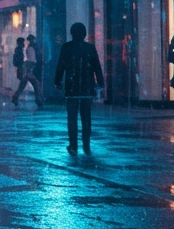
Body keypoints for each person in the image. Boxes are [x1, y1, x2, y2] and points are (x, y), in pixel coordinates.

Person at [53, 22, 105, 155]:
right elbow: (96, 66)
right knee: (86, 118)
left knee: (72, 118)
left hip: (72, 88)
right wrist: (100, 83)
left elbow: (61, 65)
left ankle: (73, 145)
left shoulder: (66, 48)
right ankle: (86, 145)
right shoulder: (90, 48)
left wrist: (58, 81)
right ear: (84, 34)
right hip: (87, 88)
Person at [12, 34, 44, 108]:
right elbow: (31, 60)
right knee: (35, 84)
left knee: (24, 84)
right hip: (27, 69)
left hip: (26, 69)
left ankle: (15, 97)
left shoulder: (22, 49)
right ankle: (38, 100)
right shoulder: (28, 48)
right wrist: (27, 67)